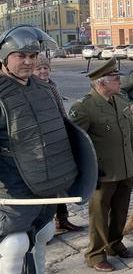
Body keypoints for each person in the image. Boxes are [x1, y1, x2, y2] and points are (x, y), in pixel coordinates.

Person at [0, 25, 83, 274]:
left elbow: (62, 129)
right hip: (12, 183)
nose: (28, 61)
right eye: (21, 55)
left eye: (33, 55)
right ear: (5, 57)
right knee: (14, 243)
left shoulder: (44, 87)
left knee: (42, 235)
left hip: (47, 181)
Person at [69, 59, 133, 273]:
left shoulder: (119, 101)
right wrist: (87, 171)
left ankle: (114, 243)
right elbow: (75, 144)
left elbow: (129, 133)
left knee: (120, 210)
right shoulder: (84, 107)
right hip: (102, 173)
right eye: (116, 79)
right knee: (99, 214)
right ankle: (95, 254)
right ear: (102, 83)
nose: (120, 82)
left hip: (125, 168)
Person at [33, 53, 85, 233]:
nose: (42, 71)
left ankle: (62, 220)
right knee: (47, 186)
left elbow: (61, 112)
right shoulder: (33, 89)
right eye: (38, 68)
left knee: (60, 182)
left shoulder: (52, 86)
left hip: (58, 139)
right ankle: (43, 226)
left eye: (45, 68)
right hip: (41, 144)